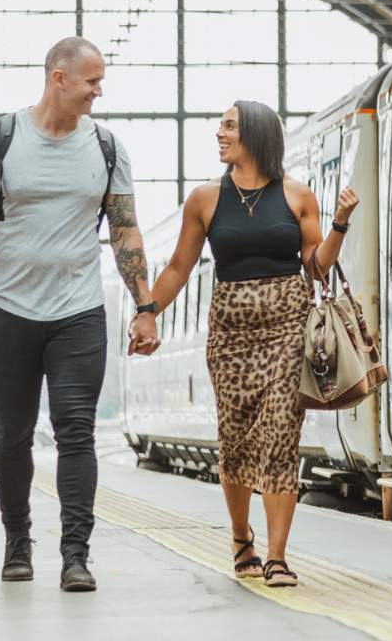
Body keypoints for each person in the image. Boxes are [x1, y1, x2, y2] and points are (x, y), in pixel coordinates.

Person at [0, 36, 161, 592]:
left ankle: (75, 554)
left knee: (76, 430)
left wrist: (145, 307)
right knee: (12, 433)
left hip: (79, 311)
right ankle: (18, 541)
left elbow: (125, 229)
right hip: (10, 309)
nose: (98, 91)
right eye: (91, 81)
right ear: (58, 78)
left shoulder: (108, 148)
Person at [147, 99, 356, 588]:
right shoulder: (205, 199)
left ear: (256, 136)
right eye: (219, 125)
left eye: (229, 126)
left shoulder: (298, 196)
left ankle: (278, 555)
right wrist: (146, 313)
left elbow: (317, 267)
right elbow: (178, 268)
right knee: (236, 440)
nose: (219, 134)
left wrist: (340, 224)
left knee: (281, 438)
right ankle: (242, 538)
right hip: (230, 339)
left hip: (287, 331)